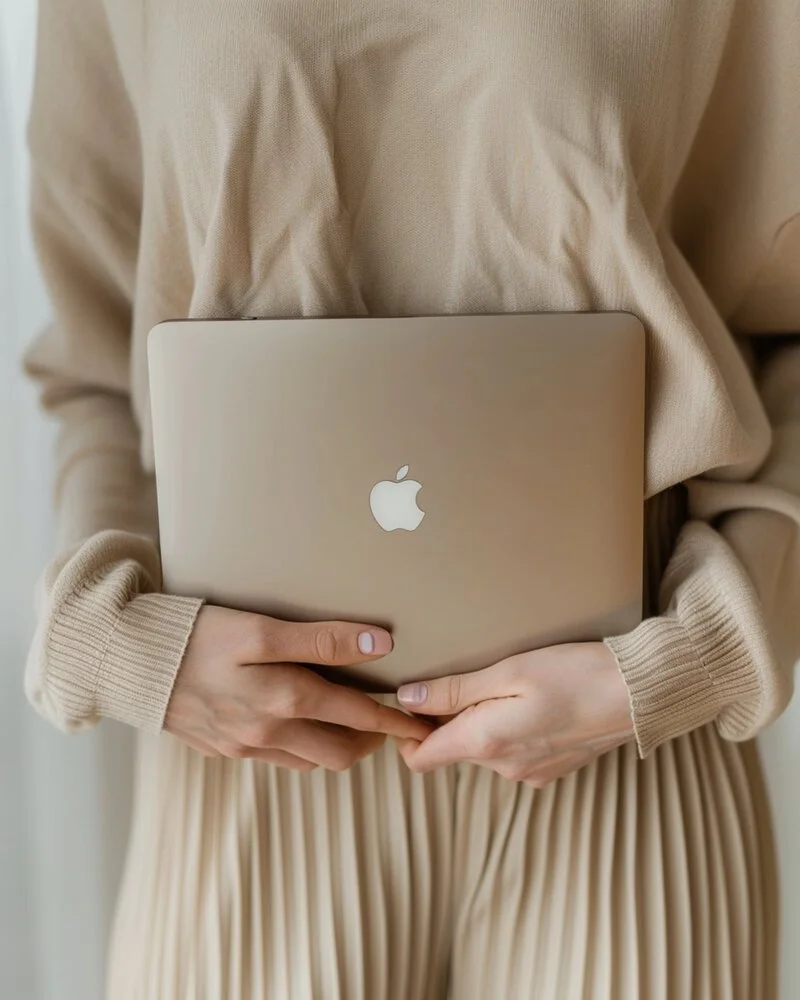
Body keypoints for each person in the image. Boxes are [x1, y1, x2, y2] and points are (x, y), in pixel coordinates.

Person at [22, 0, 799, 997]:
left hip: (624, 737)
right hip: (251, 765)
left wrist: (698, 654)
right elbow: (97, 364)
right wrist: (120, 643)